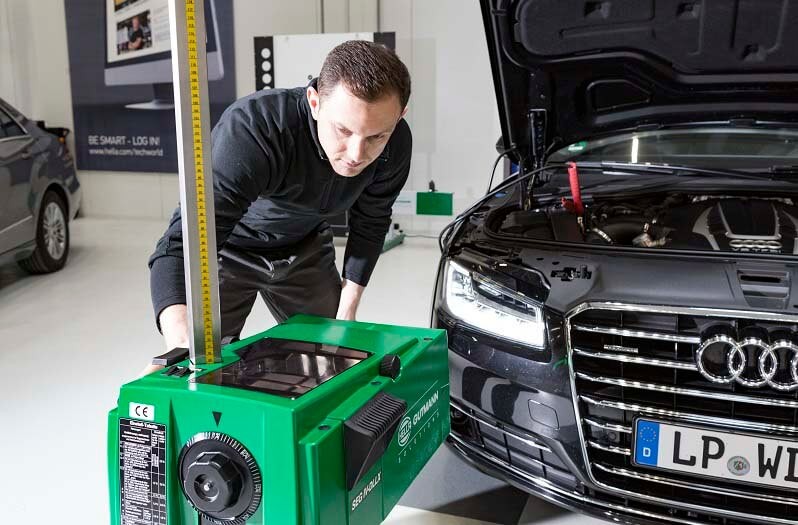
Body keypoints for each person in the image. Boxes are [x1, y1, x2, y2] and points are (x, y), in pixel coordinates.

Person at [145, 40, 412, 370]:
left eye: (376, 137)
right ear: (315, 102)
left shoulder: (396, 143)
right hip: (227, 251)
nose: (357, 154)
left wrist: (347, 311)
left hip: (305, 248)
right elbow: (178, 245)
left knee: (335, 357)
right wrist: (181, 338)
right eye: (343, 130)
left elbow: (371, 221)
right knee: (198, 366)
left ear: (399, 117)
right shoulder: (256, 130)